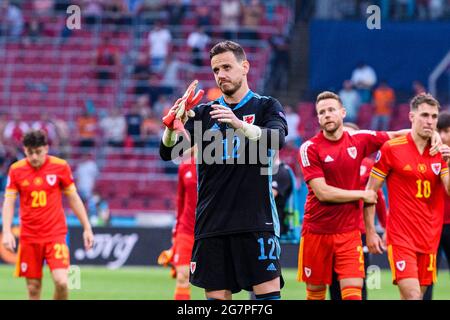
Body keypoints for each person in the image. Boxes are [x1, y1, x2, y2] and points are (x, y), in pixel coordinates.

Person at [159, 40, 288, 300]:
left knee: (268, 299)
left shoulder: (266, 106)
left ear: (245, 67)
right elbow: (168, 152)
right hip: (212, 225)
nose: (221, 75)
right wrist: (170, 129)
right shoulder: (204, 113)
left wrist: (239, 125)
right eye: (216, 70)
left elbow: (277, 139)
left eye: (227, 67)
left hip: (256, 221)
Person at [297, 91, 440, 300]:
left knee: (354, 294)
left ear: (343, 113)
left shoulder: (359, 139)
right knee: (315, 295)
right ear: (318, 118)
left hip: (349, 233)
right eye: (322, 112)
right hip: (316, 232)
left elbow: (395, 135)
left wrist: (429, 134)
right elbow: (323, 193)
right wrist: (362, 194)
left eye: (331, 110)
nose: (327, 115)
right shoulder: (309, 148)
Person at [364, 93, 450, 300]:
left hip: (430, 238)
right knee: (413, 296)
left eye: (434, 116)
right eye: (424, 115)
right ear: (412, 117)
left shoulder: (440, 152)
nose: (429, 121)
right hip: (401, 237)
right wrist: (370, 231)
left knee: (413, 297)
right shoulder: (391, 149)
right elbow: (370, 191)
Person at [1, 130, 94, 300]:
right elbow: (9, 201)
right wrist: (6, 231)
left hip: (55, 235)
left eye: (38, 152)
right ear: (25, 150)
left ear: (46, 148)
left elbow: (73, 198)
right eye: (30, 152)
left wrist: (87, 228)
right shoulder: (16, 170)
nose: (34, 157)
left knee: (62, 282)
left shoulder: (60, 167)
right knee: (33, 288)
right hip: (29, 236)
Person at [328, 122, 388, 300]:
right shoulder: (329, 163)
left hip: (359, 231)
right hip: (332, 230)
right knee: (333, 281)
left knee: (357, 280)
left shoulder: (369, 165)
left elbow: (378, 197)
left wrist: (386, 227)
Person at [158, 147, 197, 300]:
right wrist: (176, 232)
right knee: (182, 277)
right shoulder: (184, 166)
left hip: (208, 229)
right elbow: (180, 201)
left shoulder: (216, 165)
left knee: (215, 284)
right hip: (186, 230)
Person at [423, 111, 450, 300]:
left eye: (447, 131)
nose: (442, 136)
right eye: (438, 131)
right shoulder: (425, 155)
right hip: (429, 224)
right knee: (425, 278)